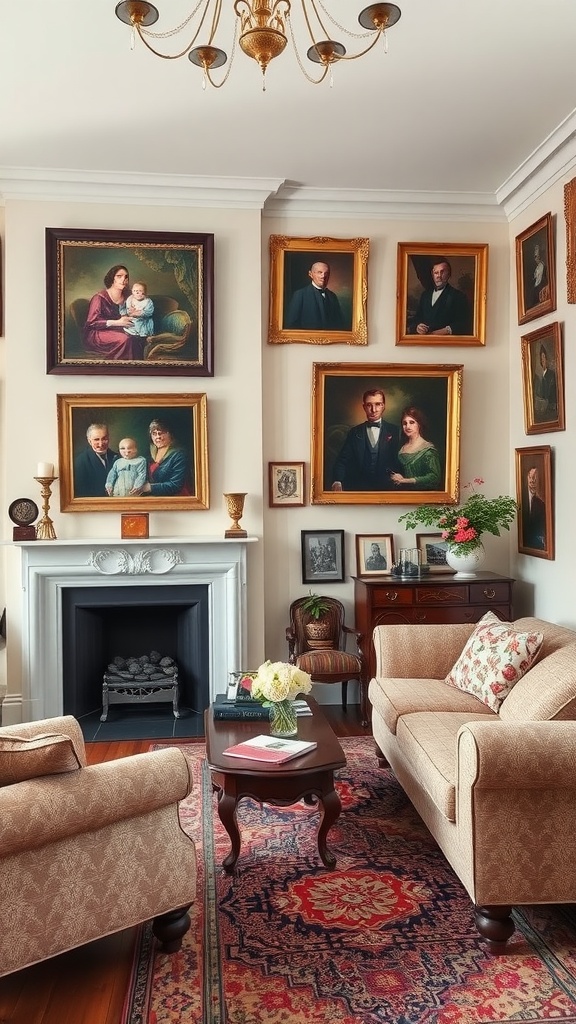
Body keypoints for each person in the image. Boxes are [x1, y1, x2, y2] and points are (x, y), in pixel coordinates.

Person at [331, 389, 400, 491]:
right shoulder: (354, 432)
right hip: (359, 487)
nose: (373, 409)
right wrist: (338, 480)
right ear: (364, 407)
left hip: (387, 488)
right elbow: (342, 460)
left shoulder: (395, 430)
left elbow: (402, 460)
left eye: (378, 404)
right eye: (369, 405)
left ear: (383, 406)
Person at [83, 264, 144, 360]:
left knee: (138, 338)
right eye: (119, 276)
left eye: (126, 277)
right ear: (112, 278)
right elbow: (91, 323)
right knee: (125, 339)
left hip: (120, 329)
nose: (124, 279)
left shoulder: (129, 296)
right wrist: (117, 322)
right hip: (98, 333)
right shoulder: (99, 298)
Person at [408, 259, 472, 336]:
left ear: (449, 274)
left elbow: (463, 323)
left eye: (442, 272)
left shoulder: (458, 296)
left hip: (446, 342)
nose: (438, 276)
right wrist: (418, 327)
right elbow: (418, 318)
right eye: (436, 273)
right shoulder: (425, 295)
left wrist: (444, 331)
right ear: (432, 275)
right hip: (424, 342)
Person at [132, 418, 192, 497]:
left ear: (170, 434)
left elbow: (176, 485)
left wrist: (149, 487)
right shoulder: (149, 453)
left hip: (176, 498)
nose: (158, 437)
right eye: (154, 434)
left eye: (161, 433)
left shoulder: (179, 455)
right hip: (154, 497)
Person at [390, 407, 442, 490]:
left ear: (419, 424)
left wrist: (406, 480)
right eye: (404, 423)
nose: (408, 426)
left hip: (422, 496)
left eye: (412, 422)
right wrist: (398, 476)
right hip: (403, 495)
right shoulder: (401, 448)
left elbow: (434, 477)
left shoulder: (428, 449)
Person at [285, 261, 347, 331]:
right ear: (310, 274)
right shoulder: (299, 295)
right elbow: (291, 325)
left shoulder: (333, 296)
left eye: (326, 273)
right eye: (319, 272)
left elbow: (340, 324)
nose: (323, 276)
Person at [74, 423, 119, 498]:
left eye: (104, 439)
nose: (101, 444)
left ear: (108, 438)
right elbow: (81, 493)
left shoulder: (117, 457)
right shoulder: (80, 461)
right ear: (89, 441)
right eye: (96, 439)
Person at [522, 465, 546, 550]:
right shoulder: (520, 499)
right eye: (530, 477)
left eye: (535, 478)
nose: (532, 481)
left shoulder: (541, 504)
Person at [534, 343, 557, 421]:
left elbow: (551, 393)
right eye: (541, 357)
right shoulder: (539, 376)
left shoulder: (551, 374)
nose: (542, 359)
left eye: (544, 357)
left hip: (550, 407)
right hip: (542, 407)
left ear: (547, 358)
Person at [528, 243, 548, 309]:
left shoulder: (542, 266)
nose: (536, 258)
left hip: (540, 287)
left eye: (537, 256)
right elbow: (535, 278)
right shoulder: (537, 267)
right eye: (535, 256)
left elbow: (540, 280)